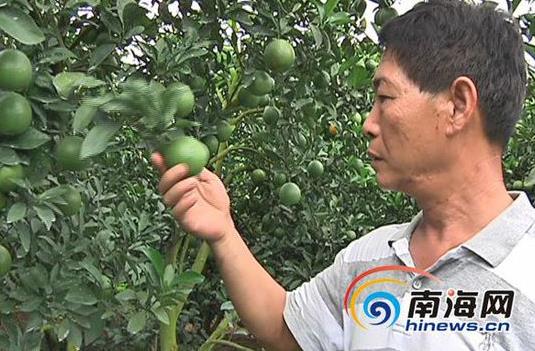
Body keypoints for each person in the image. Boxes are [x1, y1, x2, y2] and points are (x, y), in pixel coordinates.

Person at [151, 0, 534, 350]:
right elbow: (288, 328)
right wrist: (223, 231)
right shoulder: (369, 260)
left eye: (385, 98)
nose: (368, 124)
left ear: (457, 105)